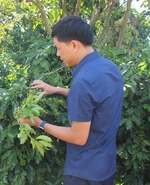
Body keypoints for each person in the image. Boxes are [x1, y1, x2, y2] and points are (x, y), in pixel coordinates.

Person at [19, 16, 124, 184]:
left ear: (74, 45)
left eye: (59, 48)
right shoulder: (109, 68)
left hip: (84, 173)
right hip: (105, 167)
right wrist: (57, 90)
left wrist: (39, 123)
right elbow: (96, 99)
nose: (58, 54)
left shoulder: (83, 82)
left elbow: (78, 137)